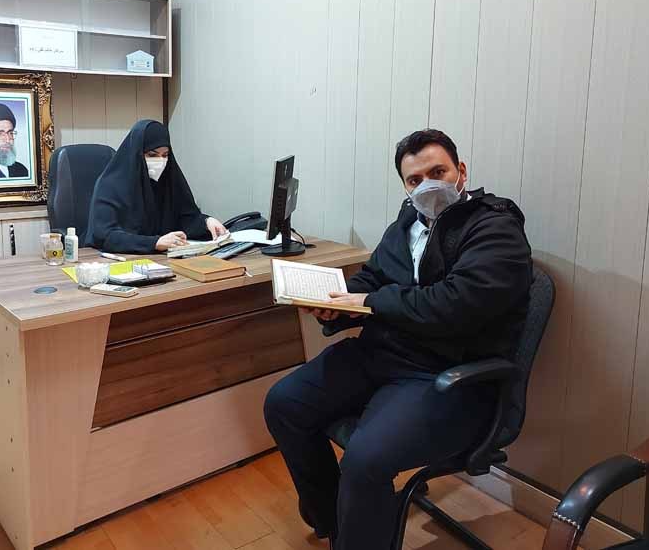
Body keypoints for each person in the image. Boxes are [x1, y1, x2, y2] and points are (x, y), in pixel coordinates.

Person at [263, 129, 533, 550]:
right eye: (415, 180)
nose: (427, 186)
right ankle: (335, 521)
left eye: (438, 172)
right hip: (381, 355)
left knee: (366, 459)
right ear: (406, 187)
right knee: (284, 403)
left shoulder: (495, 228)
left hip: (444, 374)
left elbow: (455, 304)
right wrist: (336, 305)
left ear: (461, 172)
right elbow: (374, 278)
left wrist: (371, 301)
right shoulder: (407, 222)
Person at [85, 119, 228, 254]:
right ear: (136, 153)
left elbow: (185, 219)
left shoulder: (168, 180)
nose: (160, 161)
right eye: (152, 155)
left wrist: (206, 222)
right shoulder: (111, 184)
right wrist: (154, 243)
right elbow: (105, 235)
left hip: (166, 260)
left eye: (165, 155)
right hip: (119, 261)